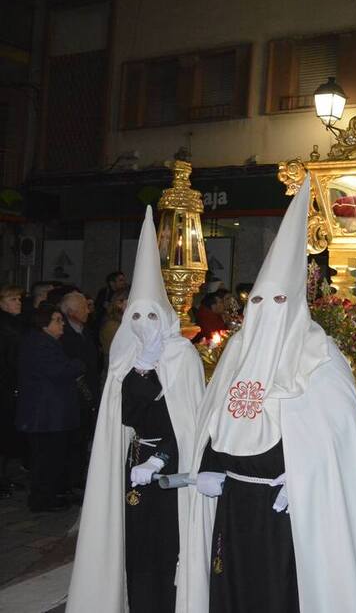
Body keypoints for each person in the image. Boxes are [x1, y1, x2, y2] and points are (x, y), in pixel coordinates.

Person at [183, 175, 356, 612]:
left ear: (296, 304)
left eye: (277, 302)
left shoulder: (319, 356)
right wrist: (207, 464)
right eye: (257, 302)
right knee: (233, 587)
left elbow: (337, 432)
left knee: (282, 592)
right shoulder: (237, 352)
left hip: (288, 506)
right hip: (234, 501)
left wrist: (304, 478)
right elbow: (215, 419)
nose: (266, 313)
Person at [67, 207, 205, 613]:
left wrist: (163, 458)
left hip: (173, 467)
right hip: (134, 460)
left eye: (152, 315)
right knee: (137, 546)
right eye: (136, 315)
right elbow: (124, 416)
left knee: (169, 545)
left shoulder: (183, 355)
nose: (144, 323)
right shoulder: (125, 357)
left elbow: (189, 422)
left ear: (165, 318)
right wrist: (142, 366)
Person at [15, 304, 84, 512]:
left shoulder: (46, 342)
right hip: (44, 415)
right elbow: (57, 371)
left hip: (50, 413)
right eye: (57, 320)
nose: (62, 324)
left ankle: (52, 494)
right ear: (44, 324)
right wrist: (78, 365)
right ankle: (43, 499)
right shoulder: (40, 344)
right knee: (46, 459)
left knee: (53, 457)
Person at [0, 286, 24, 495]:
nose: (18, 302)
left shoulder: (14, 325)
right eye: (13, 299)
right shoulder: (5, 327)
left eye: (19, 299)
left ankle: (4, 477)